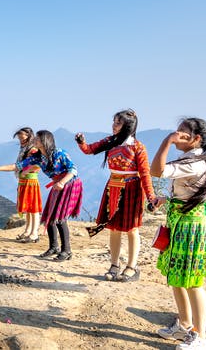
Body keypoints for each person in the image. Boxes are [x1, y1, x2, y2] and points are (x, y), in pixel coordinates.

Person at [149, 117, 206, 350]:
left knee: (193, 282)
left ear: (196, 139)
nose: (177, 134)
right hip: (180, 223)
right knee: (176, 276)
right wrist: (166, 199)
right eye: (176, 132)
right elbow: (185, 192)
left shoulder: (196, 163)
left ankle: (201, 338)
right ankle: (185, 324)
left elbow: (156, 170)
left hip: (190, 227)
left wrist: (167, 141)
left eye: (182, 133)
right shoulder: (191, 159)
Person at [76, 109, 160, 282]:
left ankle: (132, 267)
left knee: (131, 229)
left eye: (118, 123)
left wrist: (151, 197)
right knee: (113, 228)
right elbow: (89, 150)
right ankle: (114, 264)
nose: (114, 126)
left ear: (127, 126)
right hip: (113, 187)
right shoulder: (110, 142)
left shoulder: (138, 147)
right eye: (114, 122)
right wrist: (81, 142)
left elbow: (145, 174)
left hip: (132, 190)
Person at [0, 129, 82, 260]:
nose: (34, 140)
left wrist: (62, 182)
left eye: (37, 138)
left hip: (70, 184)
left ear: (45, 141)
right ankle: (54, 247)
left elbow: (73, 170)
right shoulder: (38, 157)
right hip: (57, 184)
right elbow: (17, 166)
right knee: (48, 217)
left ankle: (67, 251)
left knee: (60, 218)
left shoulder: (59, 153)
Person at [12, 127, 42, 243]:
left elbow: (38, 165)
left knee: (33, 209)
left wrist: (26, 171)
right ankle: (28, 230)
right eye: (19, 138)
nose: (20, 139)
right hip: (24, 181)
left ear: (29, 136)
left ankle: (34, 233)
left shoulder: (33, 149)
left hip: (31, 181)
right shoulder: (24, 148)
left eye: (22, 137)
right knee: (28, 208)